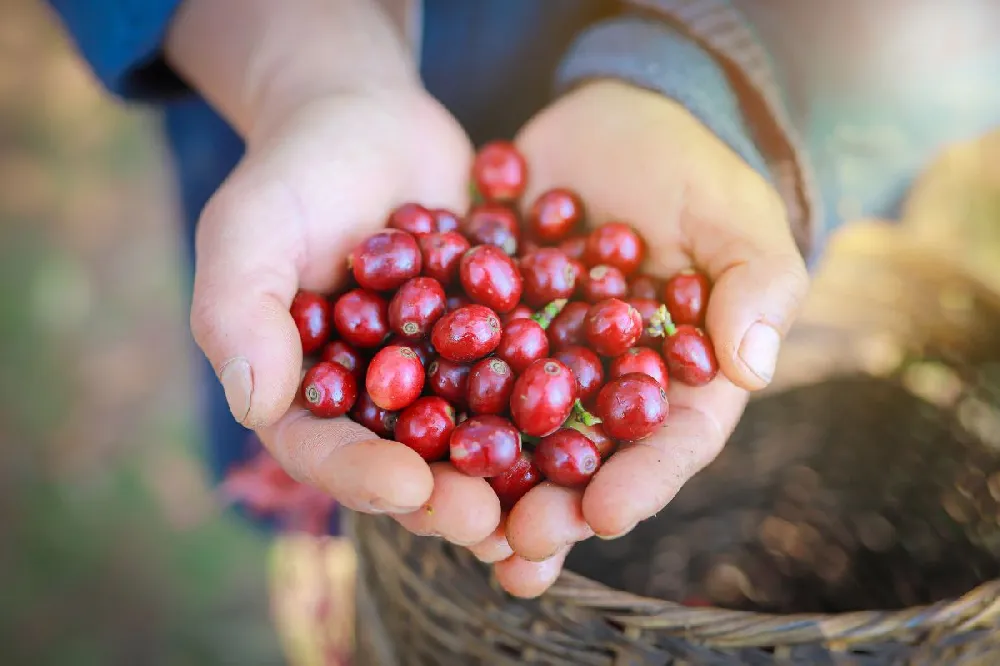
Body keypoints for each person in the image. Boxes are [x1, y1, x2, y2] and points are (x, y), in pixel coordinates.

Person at [44, 0, 1000, 600]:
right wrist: (304, 66)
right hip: (311, 80)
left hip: (736, 107)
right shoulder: (452, 328)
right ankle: (347, 590)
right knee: (362, 526)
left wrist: (713, 87)